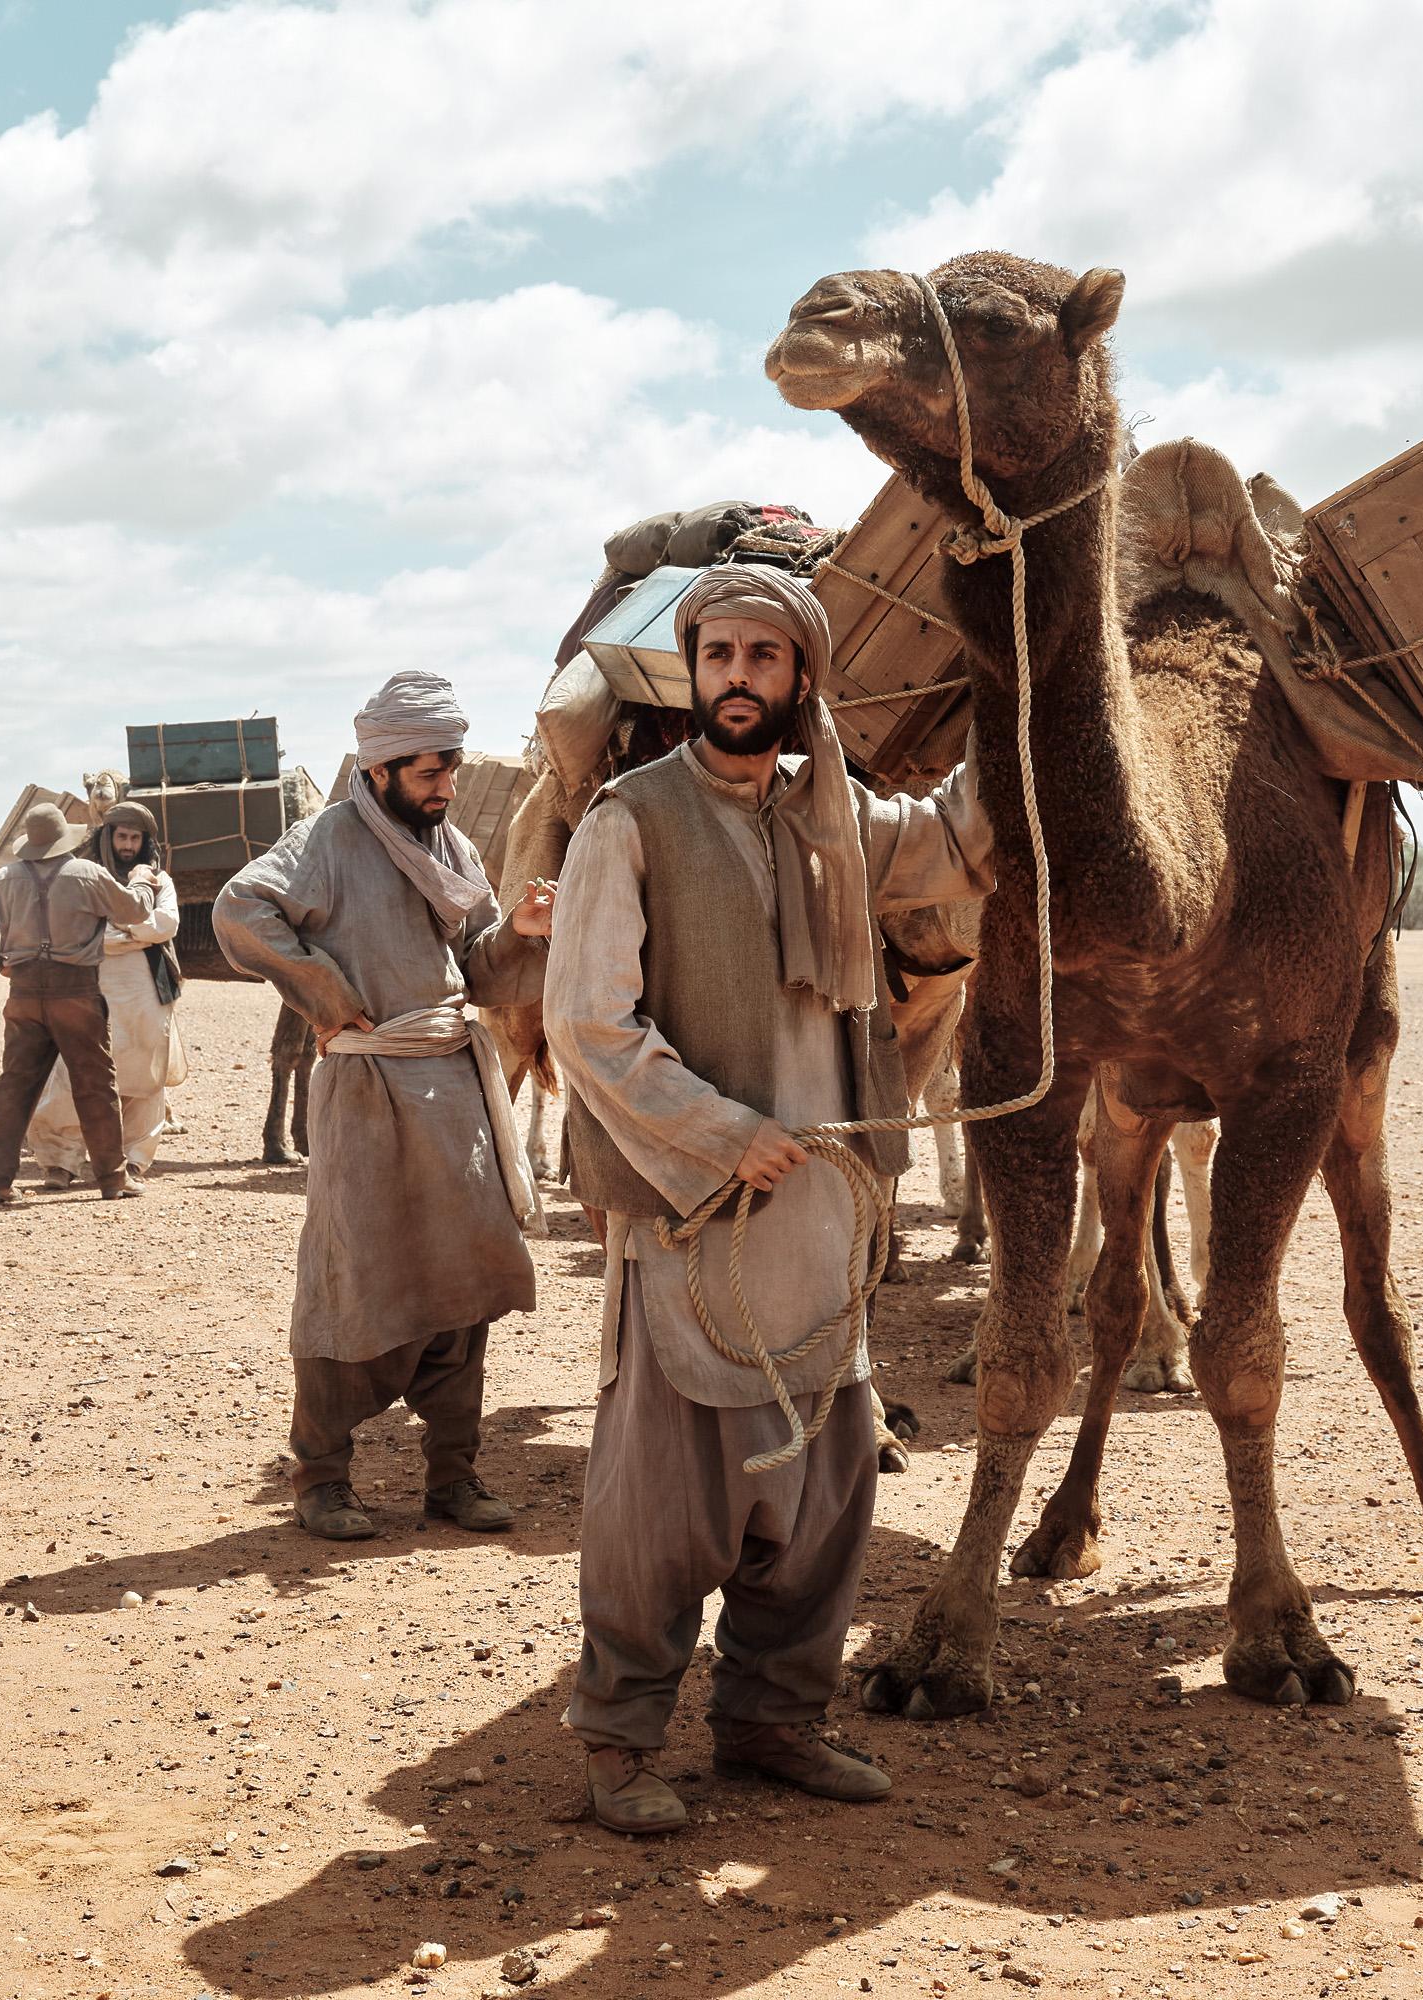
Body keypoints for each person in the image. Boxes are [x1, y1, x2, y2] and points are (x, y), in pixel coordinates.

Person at [543, 563, 994, 1835]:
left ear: (801, 676)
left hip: (829, 1215)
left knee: (823, 1492)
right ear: (695, 672)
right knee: (661, 1503)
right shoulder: (629, 820)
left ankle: (773, 1719)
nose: (740, 676)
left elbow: (963, 841)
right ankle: (621, 1741)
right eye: (719, 655)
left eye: (764, 656)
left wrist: (1027, 692)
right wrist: (723, 1133)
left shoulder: (837, 811)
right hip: (699, 1212)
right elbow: (586, 1021)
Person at [215, 670, 556, 1542]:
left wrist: (517, 933)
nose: (445, 785)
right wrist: (322, 991)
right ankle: (322, 1481)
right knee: (354, 1278)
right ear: (379, 770)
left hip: (452, 1089)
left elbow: (472, 971)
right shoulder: (325, 840)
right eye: (428, 771)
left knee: (465, 1281)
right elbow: (240, 908)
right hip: (367, 1089)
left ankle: (454, 1479)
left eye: (447, 766)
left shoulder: (451, 849)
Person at [0, 802, 165, 1203]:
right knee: (96, 1086)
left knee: (15, 1086)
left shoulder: (3, 879)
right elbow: (135, 911)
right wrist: (142, 879)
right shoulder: (87, 874)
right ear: (64, 839)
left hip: (25, 994)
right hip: (77, 993)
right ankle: (112, 1179)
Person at [31, 800, 185, 1183]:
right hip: (92, 986)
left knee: (145, 1077)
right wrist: (132, 931)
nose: (128, 844)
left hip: (147, 990)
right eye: (122, 836)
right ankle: (60, 1161)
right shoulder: (87, 878)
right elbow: (84, 930)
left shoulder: (158, 880)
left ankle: (133, 1160)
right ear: (108, 837)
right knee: (74, 1072)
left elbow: (165, 923)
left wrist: (121, 932)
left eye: (135, 838)